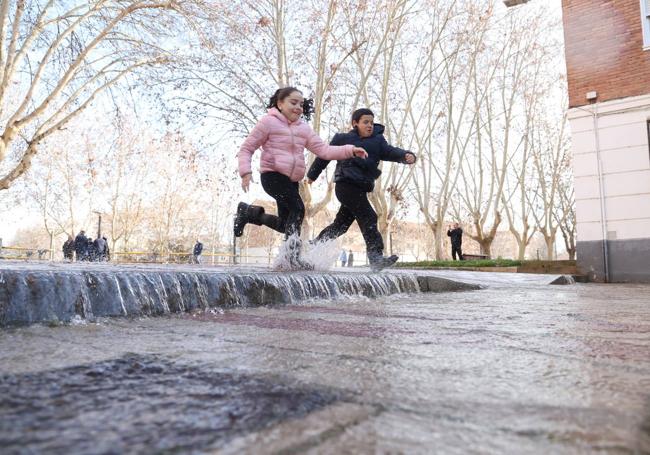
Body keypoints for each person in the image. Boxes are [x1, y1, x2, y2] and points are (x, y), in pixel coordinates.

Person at [233, 86, 368, 270]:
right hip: (272, 175)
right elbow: (247, 148)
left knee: (285, 224)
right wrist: (245, 172)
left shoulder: (303, 129)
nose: (298, 107)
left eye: (301, 104)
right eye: (293, 102)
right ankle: (291, 258)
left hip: (291, 181)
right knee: (298, 208)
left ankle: (249, 213)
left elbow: (324, 150)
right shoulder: (267, 123)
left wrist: (350, 150)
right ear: (280, 104)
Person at [307, 108, 416, 271]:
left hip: (361, 189)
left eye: (372, 122)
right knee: (369, 216)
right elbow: (324, 156)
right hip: (345, 185)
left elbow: (391, 152)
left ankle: (312, 246)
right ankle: (375, 257)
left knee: (341, 225)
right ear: (355, 123)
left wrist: (406, 156)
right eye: (365, 122)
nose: (370, 125)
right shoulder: (343, 139)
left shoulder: (378, 141)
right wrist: (312, 175)